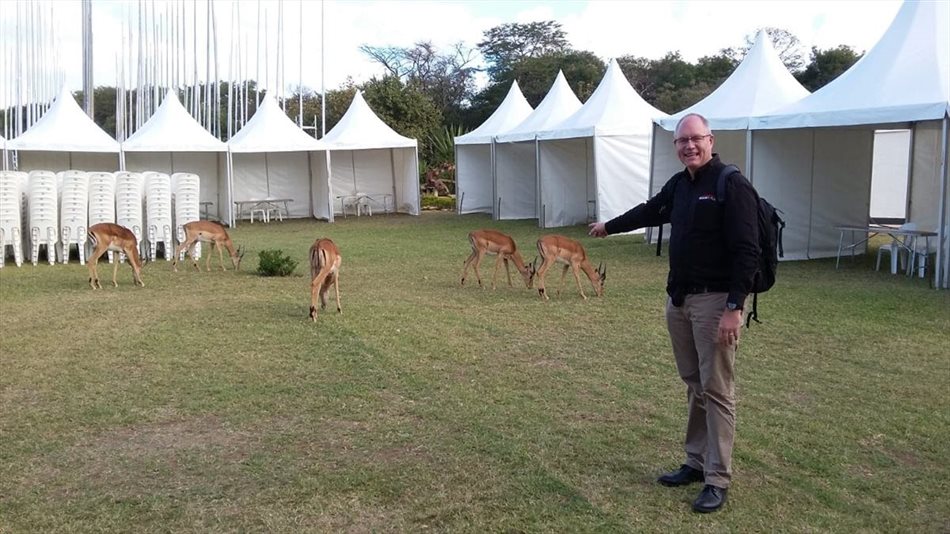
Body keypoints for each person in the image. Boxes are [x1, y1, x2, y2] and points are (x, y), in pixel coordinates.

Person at [589, 113, 759, 513]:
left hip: (716, 302)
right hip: (680, 300)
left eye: (696, 139)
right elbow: (650, 211)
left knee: (716, 389)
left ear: (711, 140)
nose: (689, 146)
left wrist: (735, 307)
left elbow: (748, 251)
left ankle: (718, 478)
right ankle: (696, 463)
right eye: (682, 141)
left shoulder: (730, 185)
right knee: (694, 384)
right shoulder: (681, 184)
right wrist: (608, 227)